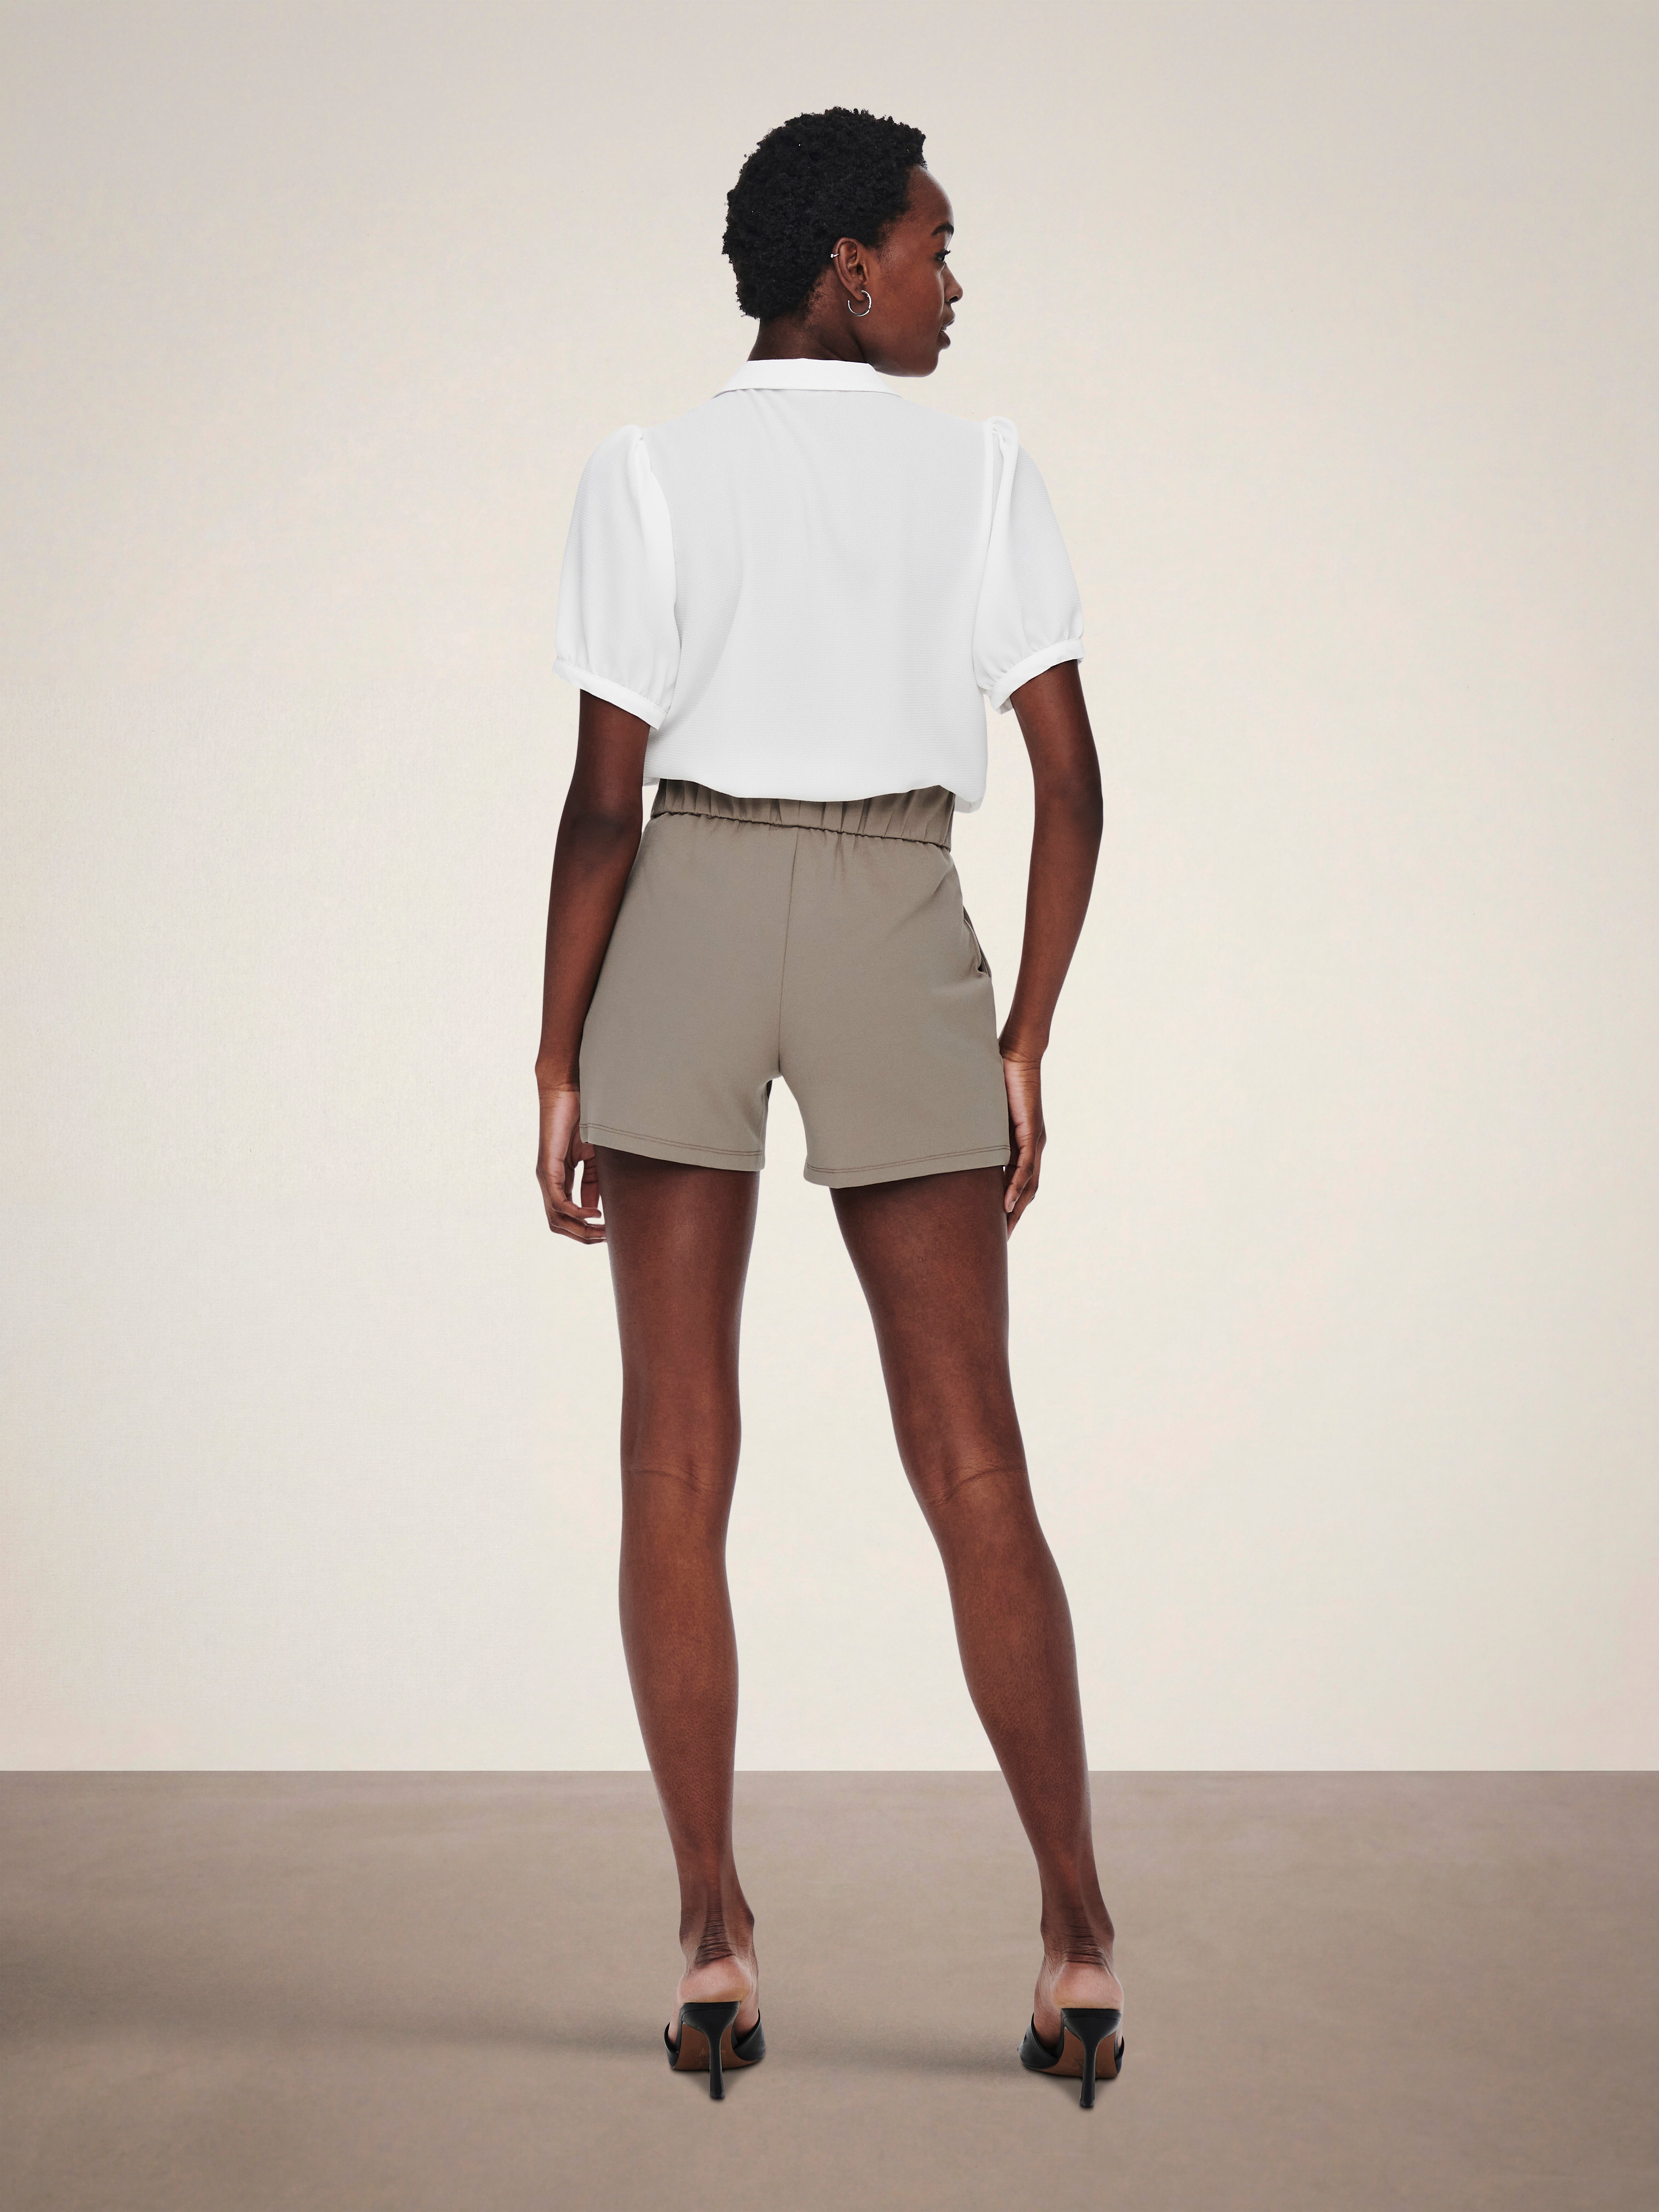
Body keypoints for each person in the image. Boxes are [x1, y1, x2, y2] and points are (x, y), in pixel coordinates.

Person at [536, 107, 1123, 2108]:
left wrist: (557, 1051)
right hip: (894, 904)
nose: (958, 284)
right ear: (849, 268)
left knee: (671, 1459)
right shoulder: (984, 474)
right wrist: (1022, 1036)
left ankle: (713, 1932)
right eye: (937, 247)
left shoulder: (645, 471)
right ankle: (1079, 1941)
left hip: (689, 903)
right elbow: (1077, 785)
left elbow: (603, 802)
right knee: (975, 1457)